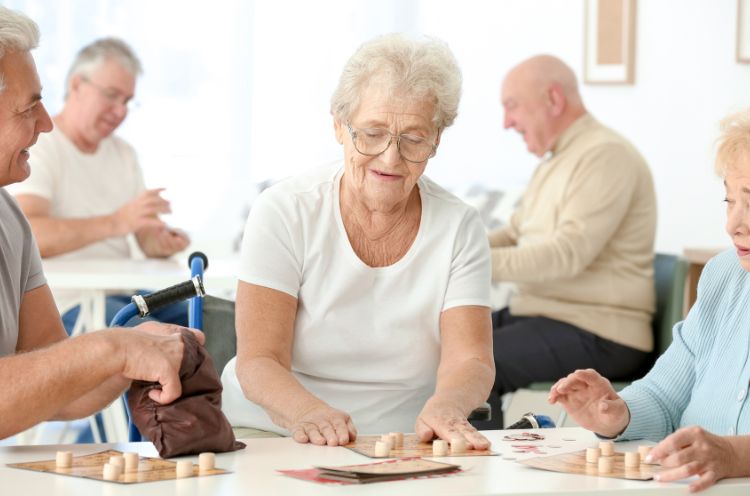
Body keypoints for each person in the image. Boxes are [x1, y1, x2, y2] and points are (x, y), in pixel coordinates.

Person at [221, 34, 495, 448]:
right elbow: (259, 361)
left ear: (437, 140)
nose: (390, 157)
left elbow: (470, 359)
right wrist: (308, 414)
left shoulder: (459, 226)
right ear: (338, 126)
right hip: (274, 428)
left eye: (414, 139)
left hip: (403, 438)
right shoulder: (284, 210)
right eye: (373, 133)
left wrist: (449, 407)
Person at [0, 6, 203, 441]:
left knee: (192, 323)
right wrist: (112, 346)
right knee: (119, 325)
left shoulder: (9, 217)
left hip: (117, 298)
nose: (45, 122)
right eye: (29, 107)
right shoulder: (48, 165)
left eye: (127, 100)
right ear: (80, 85)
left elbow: (61, 389)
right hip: (86, 304)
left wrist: (131, 349)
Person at [549, 109, 750, 492]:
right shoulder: (722, 275)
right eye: (729, 201)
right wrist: (615, 413)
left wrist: (736, 456)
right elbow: (663, 393)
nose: (732, 224)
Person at [477, 55, 657, 428]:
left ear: (553, 100)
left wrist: (470, 261)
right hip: (549, 315)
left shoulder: (605, 156)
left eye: (512, 106)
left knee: (475, 364)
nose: (506, 122)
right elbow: (514, 233)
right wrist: (454, 246)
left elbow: (566, 255)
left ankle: (480, 472)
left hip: (600, 330)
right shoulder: (554, 161)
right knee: (447, 339)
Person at [9, 37, 190, 332]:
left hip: (123, 292)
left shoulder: (123, 153)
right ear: (77, 86)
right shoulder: (40, 147)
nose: (120, 111)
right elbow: (33, 235)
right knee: (160, 338)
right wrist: (117, 222)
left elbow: (143, 234)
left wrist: (161, 241)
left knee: (210, 317)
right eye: (111, 95)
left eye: (127, 101)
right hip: (69, 301)